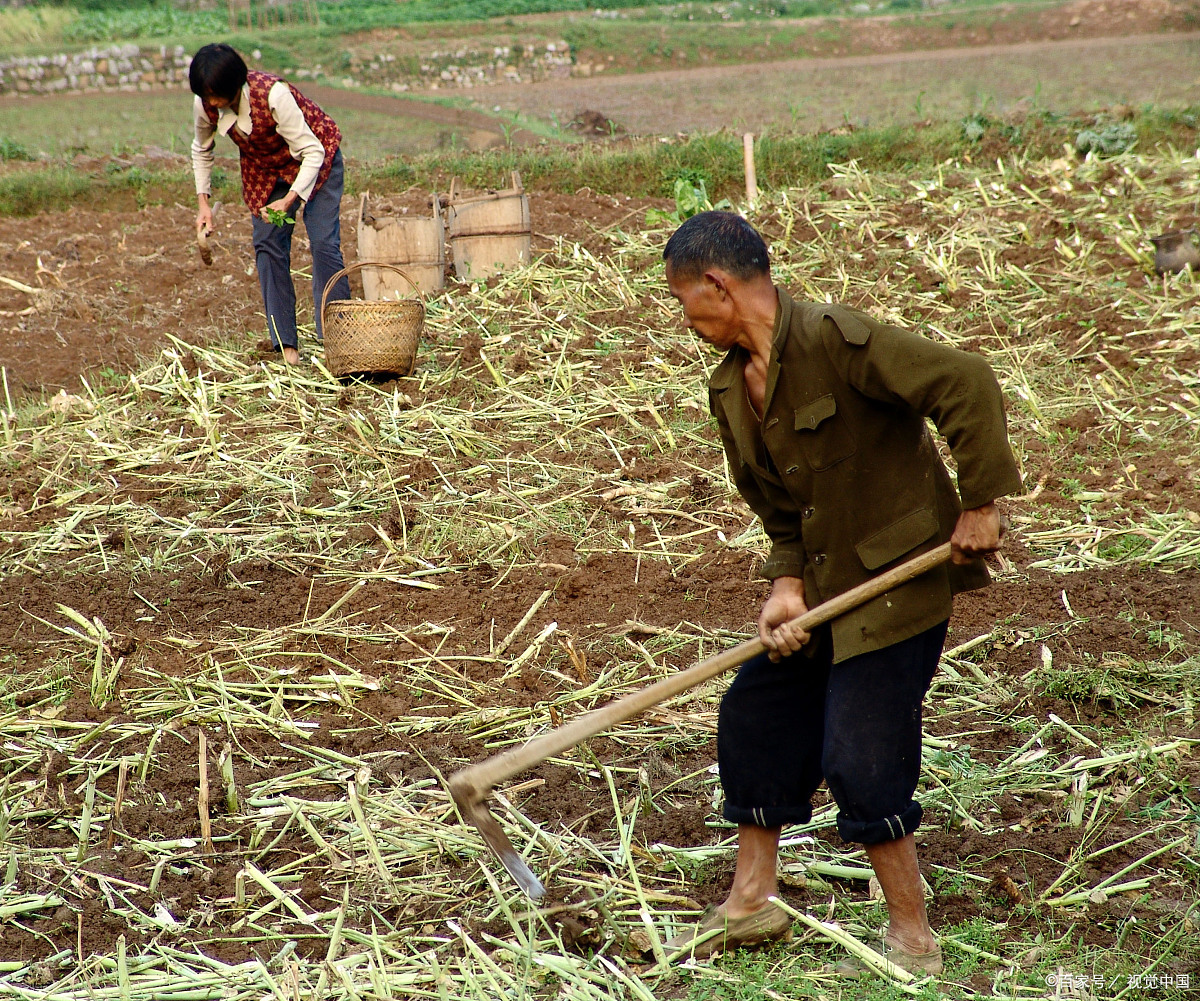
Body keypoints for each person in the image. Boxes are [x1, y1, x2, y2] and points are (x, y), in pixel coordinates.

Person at [661, 211, 1022, 975]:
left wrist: (981, 503)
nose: (682, 315)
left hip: (896, 587)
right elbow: (779, 508)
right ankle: (752, 900)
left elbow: (965, 380)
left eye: (681, 297)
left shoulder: (837, 340)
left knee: (861, 753)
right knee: (755, 714)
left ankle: (912, 935)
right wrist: (786, 586)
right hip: (825, 593)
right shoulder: (729, 388)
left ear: (716, 285)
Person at [189, 43, 351, 365]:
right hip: (264, 171)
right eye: (206, 95)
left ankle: (337, 340)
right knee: (268, 245)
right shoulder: (206, 105)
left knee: (323, 243)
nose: (211, 102)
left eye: (215, 95)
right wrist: (203, 204)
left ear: (234, 85)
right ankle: (286, 346)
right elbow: (201, 149)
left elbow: (313, 152)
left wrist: (290, 199)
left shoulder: (273, 95)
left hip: (315, 160)